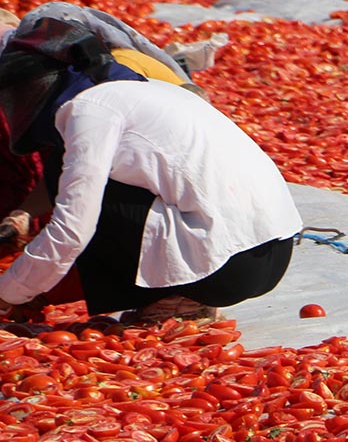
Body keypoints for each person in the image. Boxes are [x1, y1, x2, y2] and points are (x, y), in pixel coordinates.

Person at [0, 17, 301, 323]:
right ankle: (183, 295)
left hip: (227, 268)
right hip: (272, 252)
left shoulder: (90, 108)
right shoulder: (147, 90)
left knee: (70, 180)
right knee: (87, 180)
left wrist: (7, 292)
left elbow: (73, 228)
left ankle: (177, 300)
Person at [0, 4, 201, 240]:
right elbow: (66, 164)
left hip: (183, 200)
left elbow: (80, 183)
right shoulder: (91, 75)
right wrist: (23, 214)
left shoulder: (106, 83)